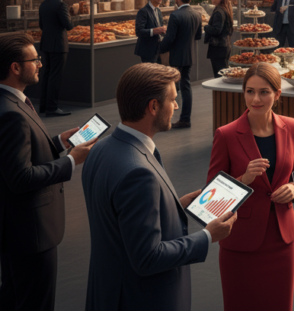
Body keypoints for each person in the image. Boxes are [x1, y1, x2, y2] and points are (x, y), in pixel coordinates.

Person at [83, 63, 236, 311]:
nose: (176, 106)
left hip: (108, 290)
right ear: (153, 107)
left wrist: (175, 206)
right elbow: (147, 258)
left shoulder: (101, 149)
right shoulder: (138, 172)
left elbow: (119, 219)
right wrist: (208, 236)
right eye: (173, 100)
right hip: (143, 298)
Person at [0, 33, 95, 311]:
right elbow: (20, 178)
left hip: (16, 231)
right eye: (34, 59)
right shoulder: (12, 113)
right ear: (15, 68)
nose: (40, 64)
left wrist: (57, 143)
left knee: (13, 297)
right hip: (30, 234)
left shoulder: (12, 103)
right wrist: (70, 161)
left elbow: (14, 156)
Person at [207, 64, 294, 311]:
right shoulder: (226, 134)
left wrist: (293, 189)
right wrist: (243, 179)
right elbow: (210, 196)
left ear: (277, 94)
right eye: (250, 91)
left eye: (264, 92)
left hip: (282, 239)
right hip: (241, 241)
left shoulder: (291, 126)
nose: (256, 99)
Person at [160, 0, 202, 129]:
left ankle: (165, 119)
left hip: (176, 56)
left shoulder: (175, 15)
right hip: (189, 55)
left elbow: (170, 38)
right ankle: (185, 119)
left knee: (170, 87)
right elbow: (197, 36)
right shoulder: (196, 14)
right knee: (186, 86)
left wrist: (159, 48)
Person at [37, 0, 73, 116]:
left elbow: (41, 25)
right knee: (55, 77)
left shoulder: (44, 4)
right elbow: (68, 25)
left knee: (46, 75)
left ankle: (44, 105)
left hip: (46, 43)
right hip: (58, 44)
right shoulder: (61, 5)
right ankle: (52, 108)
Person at [204, 0, 234, 77]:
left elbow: (217, 30)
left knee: (220, 76)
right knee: (223, 75)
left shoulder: (219, 12)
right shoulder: (224, 9)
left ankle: (222, 91)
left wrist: (205, 26)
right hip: (223, 47)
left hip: (218, 49)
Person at [135, 0, 167, 64]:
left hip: (159, 49)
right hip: (148, 50)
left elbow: (160, 26)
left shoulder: (158, 10)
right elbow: (139, 31)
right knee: (149, 75)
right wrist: (153, 31)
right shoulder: (143, 11)